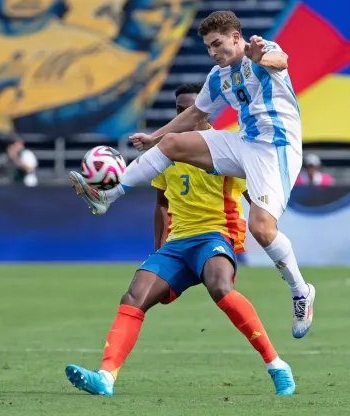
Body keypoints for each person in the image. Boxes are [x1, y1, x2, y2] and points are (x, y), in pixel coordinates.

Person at [70, 10, 315, 338]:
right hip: (245, 143)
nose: (214, 52)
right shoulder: (218, 77)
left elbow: (279, 62)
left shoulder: (262, 48)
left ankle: (301, 291)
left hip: (278, 148)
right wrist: (154, 137)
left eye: (218, 44)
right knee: (172, 143)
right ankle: (106, 195)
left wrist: (260, 57)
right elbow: (196, 114)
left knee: (261, 228)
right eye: (208, 47)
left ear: (236, 38)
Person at [64, 83, 296, 397]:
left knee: (220, 287)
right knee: (134, 296)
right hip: (177, 244)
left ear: (204, 110)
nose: (185, 114)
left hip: (215, 236)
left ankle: (277, 365)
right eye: (179, 110)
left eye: (190, 109)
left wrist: (262, 227)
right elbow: (162, 204)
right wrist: (159, 255)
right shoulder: (167, 152)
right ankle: (105, 377)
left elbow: (256, 198)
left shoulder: (228, 147)